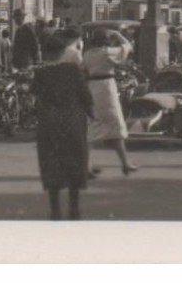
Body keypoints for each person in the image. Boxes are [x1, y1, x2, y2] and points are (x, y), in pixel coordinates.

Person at [32, 31, 94, 220]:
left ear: (45, 53)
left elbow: (35, 96)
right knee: (74, 162)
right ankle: (74, 208)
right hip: (73, 121)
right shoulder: (73, 70)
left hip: (49, 123)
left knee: (52, 164)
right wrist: (91, 114)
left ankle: (55, 209)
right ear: (62, 52)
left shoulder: (41, 73)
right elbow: (85, 96)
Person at [84, 30, 137, 178]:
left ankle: (86, 165)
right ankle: (125, 163)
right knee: (116, 124)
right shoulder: (107, 52)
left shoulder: (88, 54)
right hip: (106, 88)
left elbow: (83, 70)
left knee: (93, 125)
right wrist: (119, 35)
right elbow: (128, 47)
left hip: (92, 87)